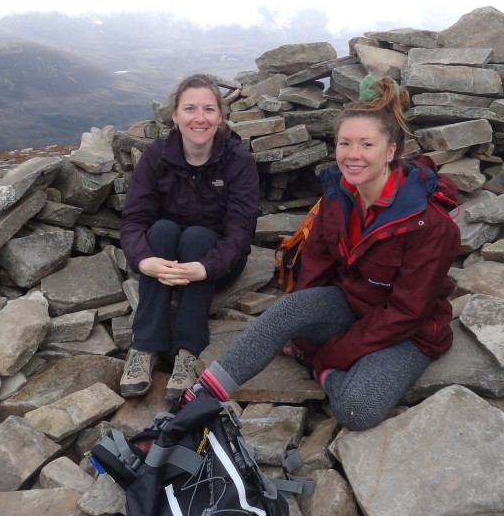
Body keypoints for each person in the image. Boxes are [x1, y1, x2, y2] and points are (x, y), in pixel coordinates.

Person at [180, 75, 461, 431]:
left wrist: (326, 354)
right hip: (351, 306)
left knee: (357, 409)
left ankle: (326, 371)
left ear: (391, 151)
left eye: (366, 145)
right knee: (288, 309)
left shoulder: (428, 225)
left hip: (409, 331)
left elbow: (408, 311)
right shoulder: (338, 195)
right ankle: (201, 397)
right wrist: (300, 330)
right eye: (345, 143)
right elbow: (315, 268)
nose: (352, 155)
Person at [119, 74, 260, 400]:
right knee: (163, 230)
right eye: (190, 109)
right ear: (175, 115)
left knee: (197, 237)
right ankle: (145, 345)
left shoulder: (237, 161)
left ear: (220, 116)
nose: (200, 118)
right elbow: (134, 219)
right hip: (164, 251)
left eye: (209, 109)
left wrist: (206, 268)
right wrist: (143, 260)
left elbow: (241, 231)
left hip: (216, 259)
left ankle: (187, 348)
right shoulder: (157, 156)